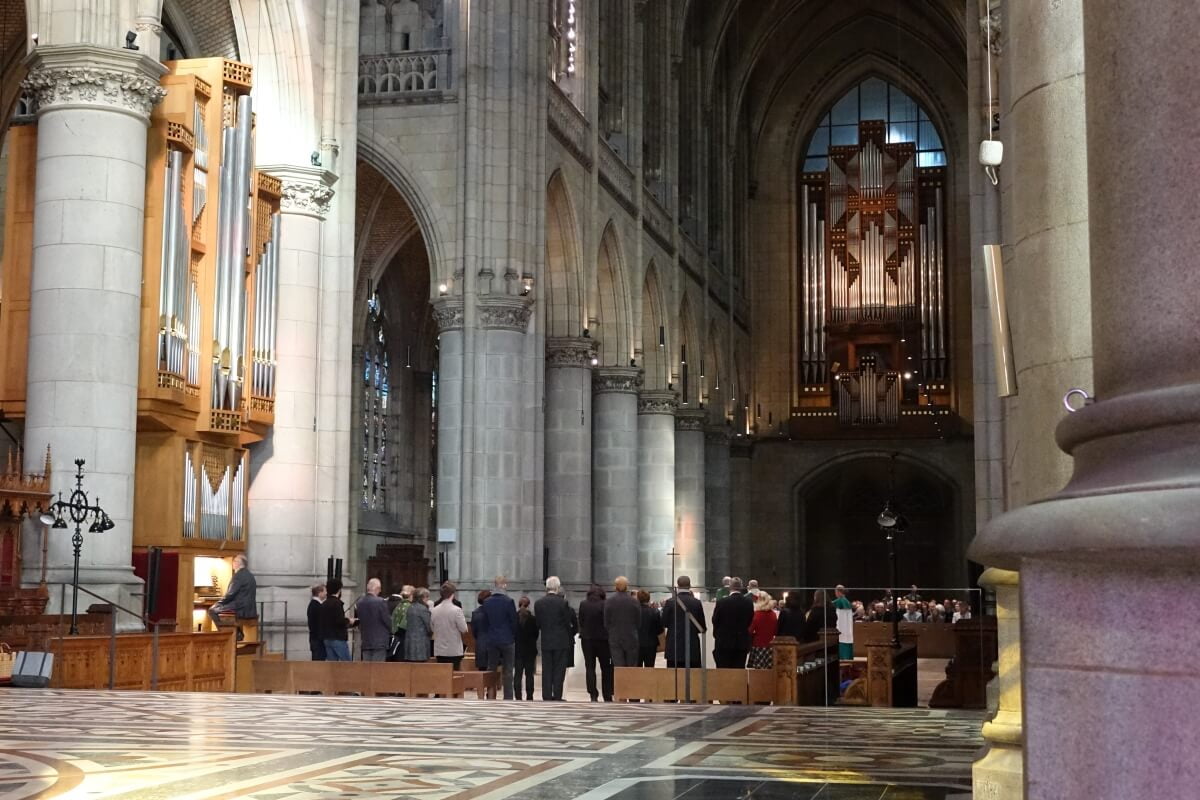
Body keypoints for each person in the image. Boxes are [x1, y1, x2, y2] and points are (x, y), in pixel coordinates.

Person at [534, 576, 573, 701]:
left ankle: (546, 695)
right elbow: (568, 623)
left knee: (547, 669)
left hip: (546, 640)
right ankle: (557, 695)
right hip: (561, 640)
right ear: (557, 587)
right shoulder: (563, 603)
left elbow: (538, 623)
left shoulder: (539, 603)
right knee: (559, 670)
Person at [483, 576, 519, 699]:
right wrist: (513, 635)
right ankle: (508, 697)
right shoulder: (509, 601)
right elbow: (514, 621)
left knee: (491, 668)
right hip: (507, 639)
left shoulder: (487, 602)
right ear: (503, 585)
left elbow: (485, 622)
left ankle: (490, 695)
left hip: (492, 639)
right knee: (508, 670)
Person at [208, 554, 257, 638]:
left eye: (234, 561)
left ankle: (226, 635)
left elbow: (230, 594)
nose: (233, 563)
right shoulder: (250, 575)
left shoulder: (238, 576)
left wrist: (219, 603)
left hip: (240, 607)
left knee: (212, 610)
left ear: (239, 563)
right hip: (250, 608)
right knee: (221, 610)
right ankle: (237, 632)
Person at [578, 584, 613, 702]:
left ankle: (593, 694)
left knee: (590, 667)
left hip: (587, 639)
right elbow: (608, 621)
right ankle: (607, 694)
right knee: (606, 668)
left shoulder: (583, 604)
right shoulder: (605, 604)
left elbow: (581, 621)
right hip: (603, 640)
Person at [663, 575, 705, 668]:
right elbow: (702, 627)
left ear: (677, 586)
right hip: (691, 646)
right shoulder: (696, 602)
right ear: (690, 585)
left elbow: (664, 622)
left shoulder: (670, 602)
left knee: (674, 679)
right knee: (693, 678)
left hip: (674, 646)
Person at [712, 576, 754, 668]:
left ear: (730, 587)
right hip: (741, 642)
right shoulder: (748, 603)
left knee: (723, 671)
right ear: (741, 587)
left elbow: (715, 620)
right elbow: (750, 620)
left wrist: (717, 635)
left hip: (724, 642)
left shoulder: (722, 602)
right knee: (738, 671)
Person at [603, 576, 640, 668]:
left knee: (618, 667)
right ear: (627, 587)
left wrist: (612, 631)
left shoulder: (609, 601)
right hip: (631, 637)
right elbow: (639, 622)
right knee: (631, 667)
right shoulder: (634, 601)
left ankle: (620, 683)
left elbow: (606, 622)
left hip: (615, 637)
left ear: (615, 587)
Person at [431, 582, 468, 670]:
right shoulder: (457, 610)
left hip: (440, 649)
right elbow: (464, 629)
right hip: (453, 649)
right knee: (453, 675)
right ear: (452, 594)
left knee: (442, 675)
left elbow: (432, 628)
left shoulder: (434, 610)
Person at [356, 578, 393, 662]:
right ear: (377, 588)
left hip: (365, 640)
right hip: (379, 641)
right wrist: (393, 629)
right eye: (379, 589)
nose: (380, 591)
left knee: (367, 670)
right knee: (377, 670)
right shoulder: (380, 602)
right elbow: (387, 620)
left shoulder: (360, 602)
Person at [317, 578, 351, 661]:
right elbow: (339, 621)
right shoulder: (337, 603)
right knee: (348, 664)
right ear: (339, 590)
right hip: (337, 638)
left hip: (327, 638)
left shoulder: (324, 603)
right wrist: (349, 621)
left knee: (332, 666)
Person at [514, 596, 538, 700]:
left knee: (518, 674)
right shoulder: (533, 619)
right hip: (530, 650)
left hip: (518, 650)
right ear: (529, 605)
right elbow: (536, 634)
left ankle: (518, 696)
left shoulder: (514, 618)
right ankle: (529, 695)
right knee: (529, 675)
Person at [748, 592, 778, 669]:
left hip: (758, 645)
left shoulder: (757, 614)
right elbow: (775, 631)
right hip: (770, 646)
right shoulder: (773, 614)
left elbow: (750, 630)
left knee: (758, 672)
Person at [404, 587, 433, 662]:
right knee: (421, 667)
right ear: (423, 597)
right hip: (420, 643)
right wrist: (431, 633)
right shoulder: (423, 609)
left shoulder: (410, 607)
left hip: (409, 641)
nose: (428, 599)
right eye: (427, 597)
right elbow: (429, 626)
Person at [636, 589, 663, 667]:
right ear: (649, 599)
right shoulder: (655, 612)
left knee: (637, 668)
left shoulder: (634, 612)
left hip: (637, 644)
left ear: (638, 599)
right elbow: (659, 629)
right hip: (651, 644)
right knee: (650, 668)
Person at [388, 585, 413, 662]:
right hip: (404, 639)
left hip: (395, 638)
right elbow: (404, 625)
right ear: (411, 595)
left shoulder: (398, 606)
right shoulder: (409, 607)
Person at [832, 584, 855, 660]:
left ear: (838, 592)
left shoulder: (839, 601)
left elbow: (828, 605)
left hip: (841, 628)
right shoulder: (847, 601)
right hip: (847, 629)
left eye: (835, 591)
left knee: (842, 639)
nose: (835, 593)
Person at [471, 589, 491, 671]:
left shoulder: (475, 613)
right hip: (493, 646)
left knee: (482, 674)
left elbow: (474, 632)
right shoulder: (494, 612)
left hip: (481, 645)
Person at [307, 583, 326, 661]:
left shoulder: (313, 604)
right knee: (318, 663)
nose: (326, 593)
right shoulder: (317, 606)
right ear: (319, 593)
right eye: (325, 591)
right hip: (318, 640)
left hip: (315, 639)